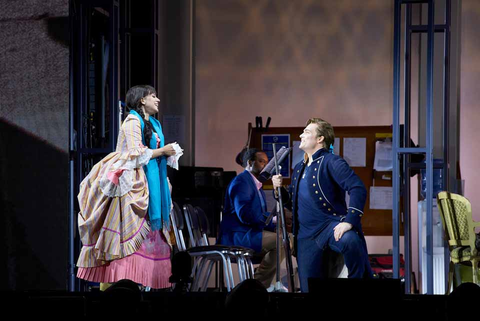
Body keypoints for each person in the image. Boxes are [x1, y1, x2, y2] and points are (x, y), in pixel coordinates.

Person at [76, 85, 177, 290]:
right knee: (122, 244)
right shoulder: (132, 121)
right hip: (130, 186)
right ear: (142, 100)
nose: (157, 100)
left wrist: (167, 154)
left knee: (146, 243)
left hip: (149, 184)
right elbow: (135, 153)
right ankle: (113, 293)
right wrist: (163, 151)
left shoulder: (155, 124)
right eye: (153, 96)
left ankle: (136, 291)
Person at [272, 118, 372, 292]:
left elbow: (357, 188)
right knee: (308, 291)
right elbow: (291, 202)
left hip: (328, 226)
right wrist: (279, 189)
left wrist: (349, 221)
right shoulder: (299, 167)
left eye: (307, 132)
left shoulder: (332, 161)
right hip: (305, 236)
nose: (301, 135)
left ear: (320, 139)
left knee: (350, 240)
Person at [219, 148, 284, 289]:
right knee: (282, 241)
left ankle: (266, 284)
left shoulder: (255, 184)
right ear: (250, 163)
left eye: (267, 163)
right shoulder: (242, 182)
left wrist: (277, 221)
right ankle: (256, 286)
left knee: (287, 238)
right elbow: (245, 215)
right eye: (261, 162)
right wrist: (272, 220)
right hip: (238, 236)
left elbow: (258, 214)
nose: (265, 166)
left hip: (248, 233)